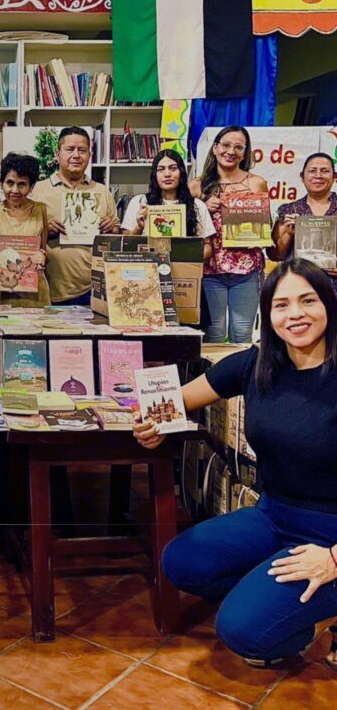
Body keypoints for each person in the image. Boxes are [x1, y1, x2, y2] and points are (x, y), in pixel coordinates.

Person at [133, 259, 337, 669]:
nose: (295, 314)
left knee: (244, 632)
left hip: (332, 533)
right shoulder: (255, 364)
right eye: (281, 305)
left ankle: (319, 618)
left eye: (308, 300)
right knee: (183, 561)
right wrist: (153, 424)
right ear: (267, 314)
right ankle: (287, 601)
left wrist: (333, 559)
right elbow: (171, 401)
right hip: (274, 515)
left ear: (329, 305)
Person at [190, 126, 269, 343]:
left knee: (242, 336)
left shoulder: (256, 183)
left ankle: (240, 377)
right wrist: (204, 208)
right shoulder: (197, 186)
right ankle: (214, 378)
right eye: (225, 145)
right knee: (212, 335)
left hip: (247, 271)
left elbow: (264, 227)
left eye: (238, 147)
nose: (231, 151)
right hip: (209, 271)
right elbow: (186, 231)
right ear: (215, 148)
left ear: (245, 153)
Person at [30, 126, 119, 305]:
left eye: (82, 150)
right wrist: (45, 231)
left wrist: (112, 229)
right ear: (58, 154)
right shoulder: (38, 191)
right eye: (70, 149)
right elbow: (22, 236)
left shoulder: (102, 192)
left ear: (89, 154)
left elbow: (117, 237)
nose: (76, 155)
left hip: (93, 288)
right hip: (50, 288)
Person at [121, 149, 215, 261]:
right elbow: (125, 247)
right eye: (161, 170)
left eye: (173, 168)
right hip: (148, 270)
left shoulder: (197, 205)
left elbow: (208, 247)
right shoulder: (140, 202)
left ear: (181, 172)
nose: (167, 174)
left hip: (184, 270)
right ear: (154, 175)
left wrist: (186, 257)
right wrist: (139, 228)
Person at [0, 152, 50, 307]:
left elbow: (43, 251)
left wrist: (43, 256)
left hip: (35, 291)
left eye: (22, 184)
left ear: (31, 186)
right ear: (1, 183)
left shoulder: (40, 210)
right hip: (2, 287)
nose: (15, 190)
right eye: (10, 183)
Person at [269, 152, 336, 295]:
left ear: (334, 177)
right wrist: (288, 234)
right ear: (302, 177)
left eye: (325, 171)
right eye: (312, 171)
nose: (318, 175)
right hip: (300, 287)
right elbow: (275, 255)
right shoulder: (288, 210)